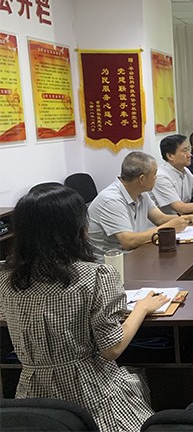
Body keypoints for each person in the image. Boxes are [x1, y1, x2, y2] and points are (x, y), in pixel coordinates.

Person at [0, 183, 169, 431]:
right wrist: (142, 308)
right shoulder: (96, 275)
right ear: (76, 227)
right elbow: (112, 349)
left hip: (33, 401)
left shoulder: (6, 278)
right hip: (90, 395)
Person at [87, 151, 193, 261]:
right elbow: (128, 241)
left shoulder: (141, 193)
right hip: (110, 264)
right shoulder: (111, 200)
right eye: (154, 174)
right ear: (142, 179)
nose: (156, 177)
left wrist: (188, 218)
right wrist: (170, 226)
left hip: (134, 254)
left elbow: (160, 218)